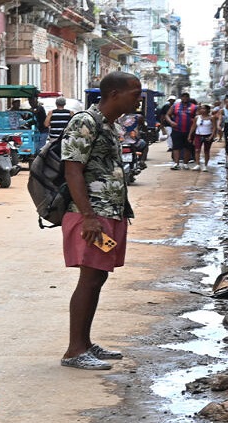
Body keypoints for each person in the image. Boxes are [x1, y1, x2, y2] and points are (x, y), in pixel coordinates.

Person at [60, 71, 143, 371]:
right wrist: (88, 217)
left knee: (98, 278)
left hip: (110, 212)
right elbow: (72, 170)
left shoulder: (108, 125)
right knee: (90, 278)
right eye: (134, 93)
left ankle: (85, 343)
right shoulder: (85, 121)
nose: (139, 98)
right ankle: (74, 350)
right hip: (93, 215)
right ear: (114, 94)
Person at [165, 92, 197, 170]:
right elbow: (167, 115)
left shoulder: (194, 107)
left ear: (189, 98)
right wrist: (171, 122)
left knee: (188, 147)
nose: (185, 98)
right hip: (177, 130)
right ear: (181, 98)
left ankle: (185, 164)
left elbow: (198, 117)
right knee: (176, 147)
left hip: (189, 131)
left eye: (186, 97)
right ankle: (176, 163)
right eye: (183, 97)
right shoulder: (175, 106)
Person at [190, 104, 217, 171]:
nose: (202, 110)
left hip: (207, 135)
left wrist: (211, 136)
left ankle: (205, 165)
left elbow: (214, 127)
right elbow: (193, 126)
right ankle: (198, 164)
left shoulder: (212, 117)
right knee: (197, 150)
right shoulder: (197, 117)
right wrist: (190, 135)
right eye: (201, 108)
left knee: (206, 151)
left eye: (204, 109)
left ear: (208, 110)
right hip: (198, 135)